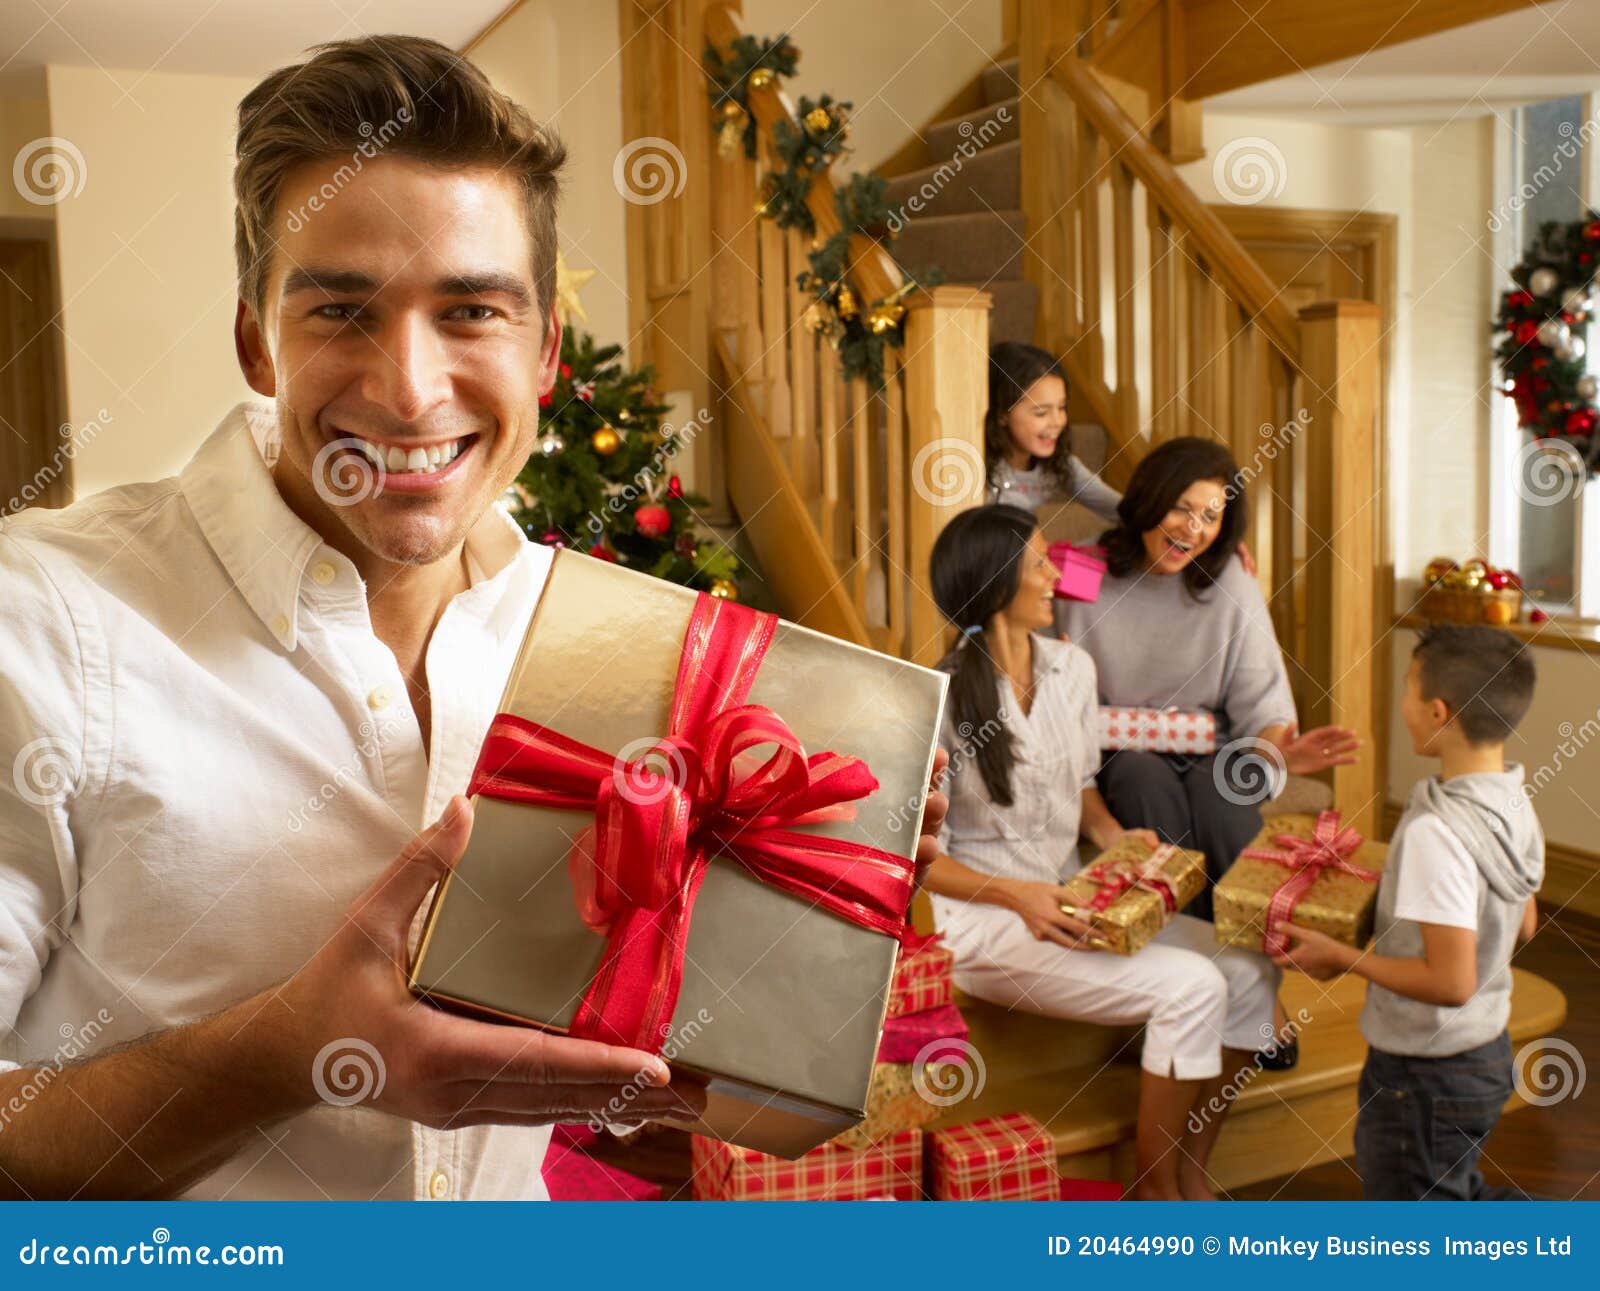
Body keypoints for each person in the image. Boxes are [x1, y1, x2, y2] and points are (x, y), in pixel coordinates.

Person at [0, 36, 945, 1201]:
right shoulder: (40, 620)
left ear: (545, 349)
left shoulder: (608, 653)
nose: (408, 388)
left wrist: (811, 915)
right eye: (341, 309)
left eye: (471, 312)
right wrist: (290, 1057)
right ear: (257, 342)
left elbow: (641, 1102)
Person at [920, 504, 1277, 1200]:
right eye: (1038, 563)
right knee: (1193, 984)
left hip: (1067, 893)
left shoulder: (1072, 668)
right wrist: (1015, 896)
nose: (1057, 574)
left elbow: (1082, 783)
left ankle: (1190, 1173)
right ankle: (1154, 1186)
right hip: (984, 922)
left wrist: (1115, 836)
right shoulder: (938, 698)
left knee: (1249, 964)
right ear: (996, 583)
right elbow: (923, 858)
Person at [1060, 437, 1359, 1068]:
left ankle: (1256, 994)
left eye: (1210, 516)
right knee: (1147, 791)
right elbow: (1045, 666)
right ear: (1148, 499)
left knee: (1226, 809)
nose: (1191, 529)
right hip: (1118, 751)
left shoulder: (1228, 581)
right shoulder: (1084, 571)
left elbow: (1264, 704)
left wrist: (1283, 750)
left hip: (1215, 748)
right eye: (1180, 508)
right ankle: (1180, 988)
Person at [1274, 624, 1543, 1200]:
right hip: (1484, 1053)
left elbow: (1451, 982)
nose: (1403, 703)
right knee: (1455, 1191)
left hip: (1422, 1075)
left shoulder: (1435, 832)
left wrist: (1342, 957)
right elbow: (1524, 923)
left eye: (1408, 688)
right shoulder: (1513, 800)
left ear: (1439, 712)